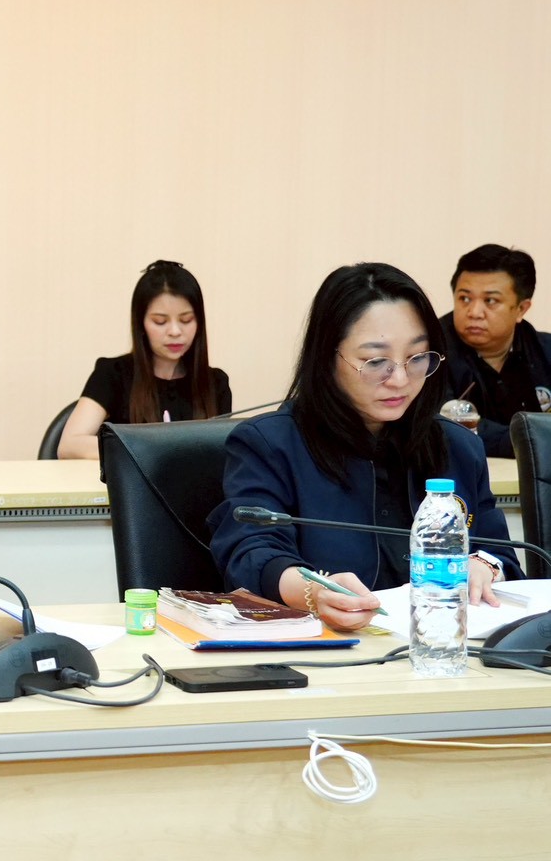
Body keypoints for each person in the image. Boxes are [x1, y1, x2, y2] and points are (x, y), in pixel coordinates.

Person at [209, 263, 521, 631]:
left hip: (443, 645)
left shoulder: (458, 447)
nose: (400, 379)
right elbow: (251, 553)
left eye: (417, 357)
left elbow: (501, 554)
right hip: (328, 650)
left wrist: (485, 565)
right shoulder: (270, 445)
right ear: (328, 357)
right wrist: (313, 592)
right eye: (376, 361)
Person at [58, 260, 232, 459]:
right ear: (141, 323)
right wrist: (147, 450)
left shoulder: (215, 383)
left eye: (186, 320)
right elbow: (69, 445)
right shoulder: (113, 374)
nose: (175, 331)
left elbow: (222, 453)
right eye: (160, 321)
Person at [439, 243, 551, 457]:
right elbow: (445, 427)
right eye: (464, 299)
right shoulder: (429, 352)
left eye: (490, 301)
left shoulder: (545, 352)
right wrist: (532, 440)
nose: (474, 312)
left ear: (521, 309)